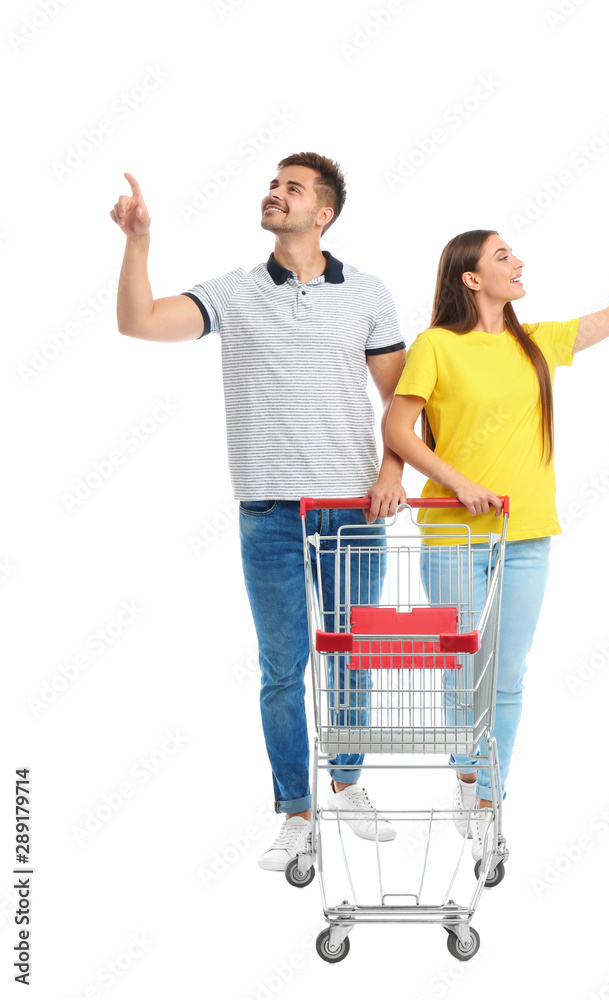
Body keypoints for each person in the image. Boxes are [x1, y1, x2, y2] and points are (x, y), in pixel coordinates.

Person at [110, 152, 408, 872]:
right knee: (283, 669)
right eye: (273, 185)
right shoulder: (236, 292)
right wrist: (138, 242)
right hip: (269, 512)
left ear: (324, 212)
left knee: (354, 658)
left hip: (353, 508)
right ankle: (297, 813)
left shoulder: (367, 293)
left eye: (292, 188)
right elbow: (140, 323)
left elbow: (404, 402)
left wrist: (394, 469)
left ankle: (347, 784)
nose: (275, 194)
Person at [385, 183, 609, 863]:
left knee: (507, 676)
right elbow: (398, 427)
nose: (519, 263)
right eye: (504, 256)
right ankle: (465, 772)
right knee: (464, 670)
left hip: (527, 536)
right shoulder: (436, 346)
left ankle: (489, 798)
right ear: (472, 278)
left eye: (515, 254)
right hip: (454, 533)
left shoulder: (536, 344)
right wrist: (457, 481)